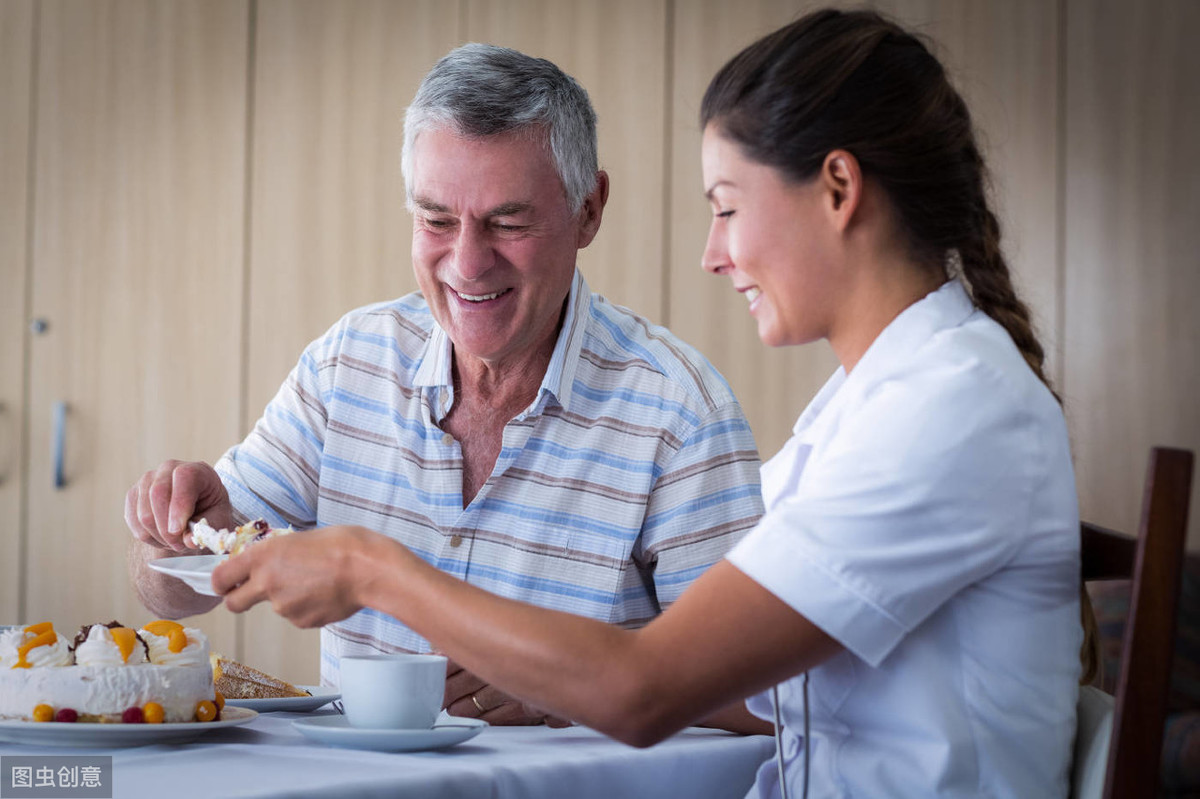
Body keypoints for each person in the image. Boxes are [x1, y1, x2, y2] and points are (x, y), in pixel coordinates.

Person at [212, 10, 1085, 797]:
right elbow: (738, 681)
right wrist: (557, 672)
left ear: (838, 190)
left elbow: (643, 687)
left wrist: (372, 568)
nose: (711, 253)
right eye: (437, 218)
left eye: (728, 206)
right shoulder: (877, 402)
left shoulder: (947, 411)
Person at [125, 43, 767, 731]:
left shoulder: (679, 412)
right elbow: (172, 591)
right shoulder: (349, 364)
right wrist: (179, 535)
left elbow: (768, 696)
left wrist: (572, 685)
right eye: (436, 219)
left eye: (507, 222)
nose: (466, 263)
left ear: (589, 209)